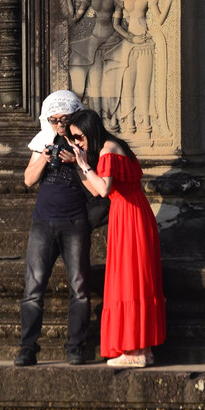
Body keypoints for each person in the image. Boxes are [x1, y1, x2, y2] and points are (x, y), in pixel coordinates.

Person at [67, 107, 165, 366]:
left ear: (89, 130)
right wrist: (79, 167)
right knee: (137, 278)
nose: (78, 142)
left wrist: (84, 163)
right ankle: (143, 349)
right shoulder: (116, 146)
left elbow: (103, 187)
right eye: (74, 138)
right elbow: (99, 191)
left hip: (129, 217)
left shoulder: (109, 151)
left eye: (79, 136)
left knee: (129, 279)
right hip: (134, 214)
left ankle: (134, 351)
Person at [15, 89, 91, 366]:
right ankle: (27, 347)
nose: (60, 125)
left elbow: (96, 187)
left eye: (65, 118)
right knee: (33, 289)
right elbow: (28, 180)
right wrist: (47, 157)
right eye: (54, 119)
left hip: (75, 222)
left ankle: (76, 346)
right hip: (43, 223)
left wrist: (78, 162)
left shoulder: (86, 143)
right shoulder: (43, 141)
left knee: (80, 288)